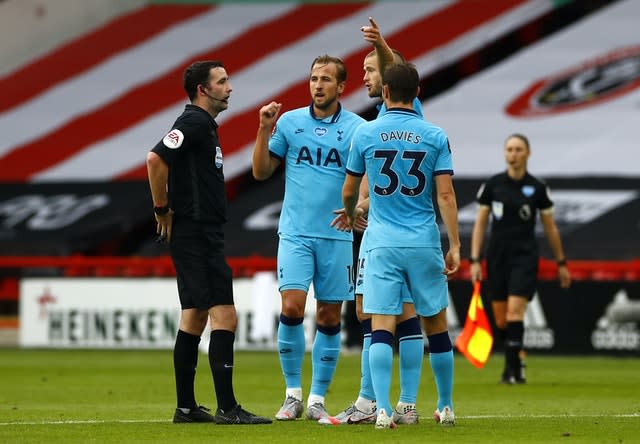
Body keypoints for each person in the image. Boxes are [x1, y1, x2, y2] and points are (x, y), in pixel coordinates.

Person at [146, 60, 271, 425]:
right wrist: (161, 208)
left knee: (194, 316)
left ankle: (186, 408)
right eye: (222, 81)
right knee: (224, 316)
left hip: (197, 233)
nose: (229, 87)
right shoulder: (194, 123)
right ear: (203, 89)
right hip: (197, 233)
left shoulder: (203, 127)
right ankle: (228, 408)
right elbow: (155, 159)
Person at [342, 62, 460, 429]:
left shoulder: (365, 133)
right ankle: (443, 406)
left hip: (381, 242)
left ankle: (380, 410)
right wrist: (454, 244)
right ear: (418, 92)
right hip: (423, 241)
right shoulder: (435, 135)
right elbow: (445, 194)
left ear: (386, 93)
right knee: (435, 325)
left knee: (380, 325)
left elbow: (349, 190)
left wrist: (351, 212)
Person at [252, 55, 365, 422]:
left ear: (341, 86)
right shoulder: (289, 122)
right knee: (292, 308)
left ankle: (317, 399)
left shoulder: (357, 129)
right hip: (296, 232)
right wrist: (263, 129)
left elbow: (367, 177)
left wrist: (358, 206)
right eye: (314, 78)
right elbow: (260, 171)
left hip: (336, 235)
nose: (318, 85)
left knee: (331, 315)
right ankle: (292, 395)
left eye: (326, 79)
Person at [327, 18, 426, 426]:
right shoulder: (385, 122)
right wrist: (362, 206)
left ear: (388, 80)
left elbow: (391, 69)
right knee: (395, 312)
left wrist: (382, 44)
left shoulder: (403, 107)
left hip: (387, 237)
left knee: (372, 312)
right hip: (396, 230)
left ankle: (370, 401)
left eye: (370, 71)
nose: (365, 77)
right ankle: (403, 405)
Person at [469, 133, 571, 384]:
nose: (513, 154)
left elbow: (550, 227)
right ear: (505, 153)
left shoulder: (537, 187)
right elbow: (481, 224)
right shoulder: (493, 185)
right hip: (497, 256)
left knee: (516, 312)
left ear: (528, 153)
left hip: (524, 255)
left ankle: (511, 371)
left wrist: (561, 263)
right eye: (509, 149)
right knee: (502, 320)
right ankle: (519, 356)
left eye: (518, 149)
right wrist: (474, 259)